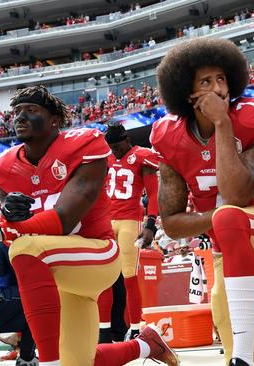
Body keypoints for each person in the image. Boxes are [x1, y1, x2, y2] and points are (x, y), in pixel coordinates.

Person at [0, 85, 179, 366]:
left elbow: (64, 219)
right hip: (60, 272)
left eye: (31, 110)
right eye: (17, 112)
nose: (19, 117)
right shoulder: (4, 167)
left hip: (96, 253)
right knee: (78, 361)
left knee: (25, 249)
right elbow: (17, 226)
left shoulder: (82, 144)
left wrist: (2, 229)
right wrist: (8, 217)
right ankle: (145, 345)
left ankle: (46, 362)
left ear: (54, 121)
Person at [152, 38, 254, 366]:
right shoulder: (167, 136)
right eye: (205, 81)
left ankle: (246, 352)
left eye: (221, 79)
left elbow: (240, 195)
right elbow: (171, 223)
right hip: (223, 248)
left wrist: (222, 124)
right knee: (238, 343)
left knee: (230, 216)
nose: (218, 88)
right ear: (188, 94)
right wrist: (216, 220)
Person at [98, 123, 160, 342]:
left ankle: (135, 327)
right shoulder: (106, 158)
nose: (114, 151)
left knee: (129, 277)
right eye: (111, 147)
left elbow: (153, 194)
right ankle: (103, 329)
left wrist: (150, 224)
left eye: (117, 146)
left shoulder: (142, 156)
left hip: (129, 221)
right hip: (106, 220)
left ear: (126, 140)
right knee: (103, 277)